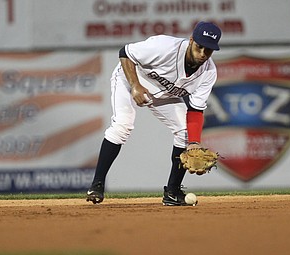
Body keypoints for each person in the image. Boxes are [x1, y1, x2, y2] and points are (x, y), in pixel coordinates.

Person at [87, 21, 222, 206]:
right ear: (191, 40)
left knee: (185, 132)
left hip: (164, 95)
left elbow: (196, 110)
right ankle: (97, 184)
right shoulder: (164, 47)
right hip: (130, 79)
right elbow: (125, 53)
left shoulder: (209, 72)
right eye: (200, 47)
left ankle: (173, 193)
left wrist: (193, 143)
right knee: (123, 124)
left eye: (209, 50)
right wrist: (135, 85)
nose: (203, 54)